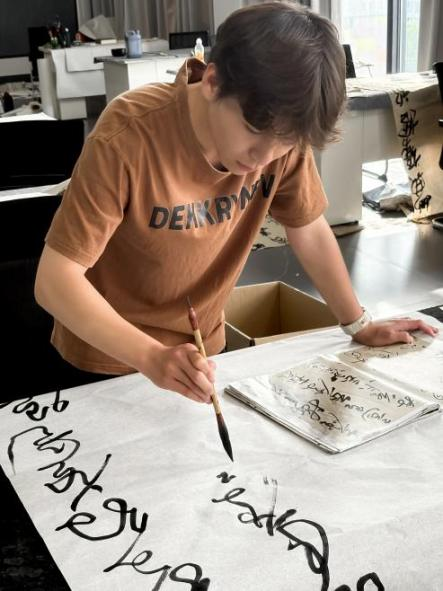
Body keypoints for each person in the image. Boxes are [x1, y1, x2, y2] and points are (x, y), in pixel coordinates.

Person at [35, 2, 437, 405]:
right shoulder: (127, 136)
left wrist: (357, 323)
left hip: (203, 350)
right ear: (212, 82)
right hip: (108, 356)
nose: (264, 159)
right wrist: (151, 356)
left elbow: (309, 229)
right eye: (253, 131)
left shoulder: (280, 137)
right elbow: (55, 281)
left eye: (285, 143)